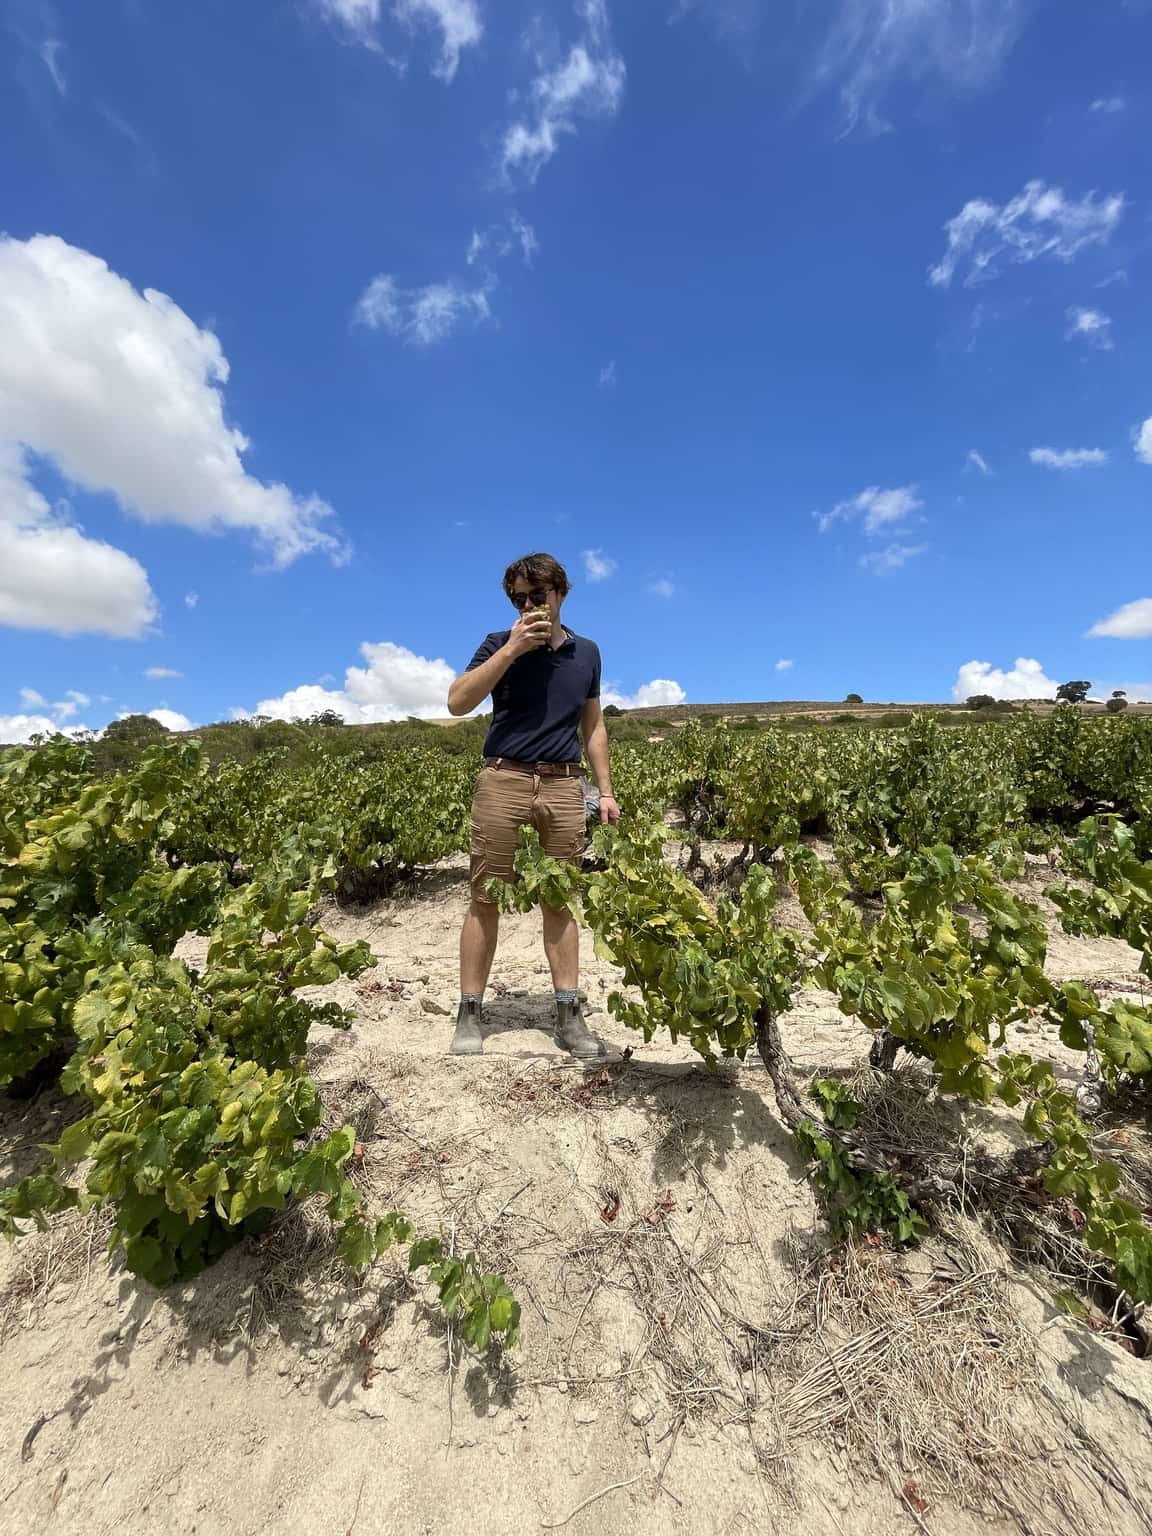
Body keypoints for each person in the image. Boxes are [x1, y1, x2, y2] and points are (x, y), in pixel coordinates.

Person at [445, 552, 621, 1058]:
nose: (527, 605)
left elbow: (594, 726)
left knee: (561, 898)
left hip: (566, 785)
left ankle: (569, 1016)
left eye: (536, 596)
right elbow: (457, 701)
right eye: (518, 599)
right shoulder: (498, 643)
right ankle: (470, 1015)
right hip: (503, 777)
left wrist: (605, 791)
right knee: (485, 897)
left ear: (560, 594)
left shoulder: (587, 653)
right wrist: (511, 651)